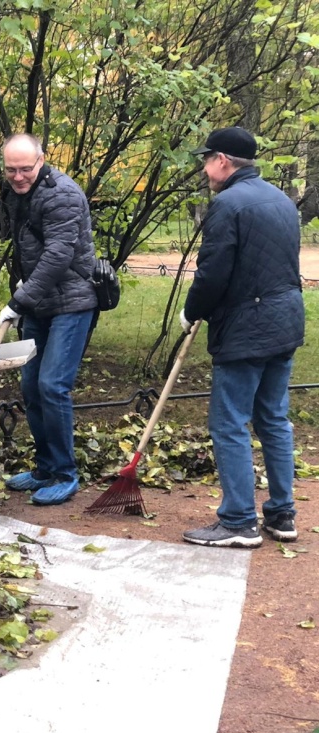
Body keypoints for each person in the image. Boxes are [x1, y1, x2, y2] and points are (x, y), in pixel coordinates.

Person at [181, 126, 304, 548]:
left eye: (207, 159)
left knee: (229, 422)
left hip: (247, 327)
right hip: (285, 322)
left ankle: (238, 521)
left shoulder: (227, 204)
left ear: (222, 161)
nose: (205, 168)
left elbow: (212, 272)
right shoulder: (282, 200)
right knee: (273, 418)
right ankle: (282, 515)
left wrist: (191, 311)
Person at [0, 133, 98, 505]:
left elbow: (58, 255)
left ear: (41, 161)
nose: (18, 176)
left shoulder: (62, 194)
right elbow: (31, 247)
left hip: (73, 303)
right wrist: (25, 286)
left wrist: (18, 302)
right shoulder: (20, 193)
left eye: (25, 169)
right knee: (31, 386)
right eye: (11, 170)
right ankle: (44, 468)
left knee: (53, 385)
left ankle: (65, 475)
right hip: (42, 302)